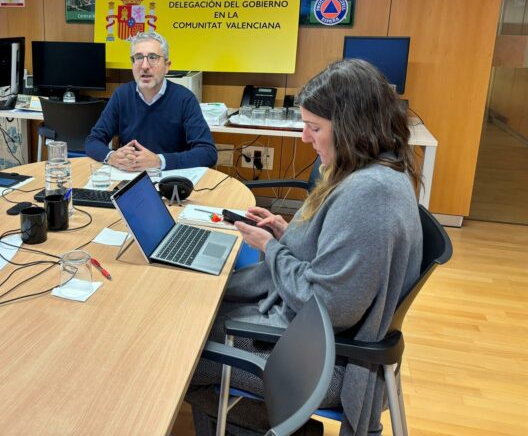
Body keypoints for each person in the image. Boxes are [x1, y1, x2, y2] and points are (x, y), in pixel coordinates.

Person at [188, 59, 423, 436]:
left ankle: (267, 424)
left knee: (176, 347)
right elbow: (342, 260)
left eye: (314, 128)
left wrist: (271, 249)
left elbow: (330, 308)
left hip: (322, 364)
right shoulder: (378, 172)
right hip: (316, 343)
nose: (304, 137)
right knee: (195, 314)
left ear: (353, 128)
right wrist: (286, 233)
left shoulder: (369, 195)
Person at [84, 31, 217, 171]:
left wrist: (160, 161)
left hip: (170, 178)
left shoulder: (185, 99)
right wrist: (111, 156)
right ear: (132, 64)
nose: (145, 66)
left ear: (167, 66)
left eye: (153, 57)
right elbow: (93, 141)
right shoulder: (122, 95)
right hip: (129, 177)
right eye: (138, 57)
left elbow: (208, 153)